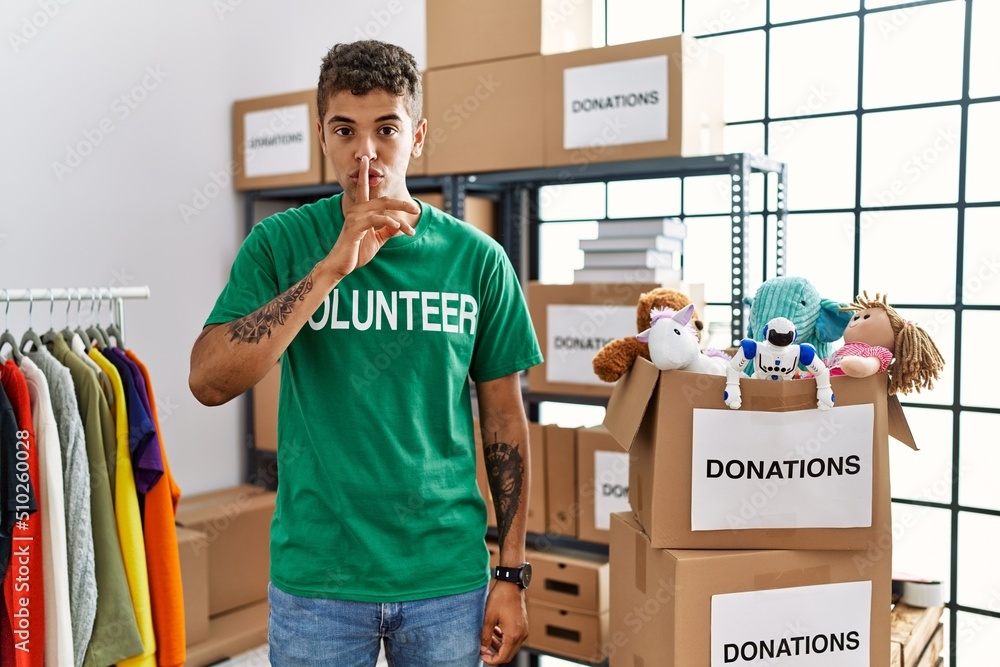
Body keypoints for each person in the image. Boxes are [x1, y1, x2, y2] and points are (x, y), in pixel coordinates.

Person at [189, 39, 542, 666]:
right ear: (321, 134)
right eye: (345, 129)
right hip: (318, 579)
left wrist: (511, 575)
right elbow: (209, 379)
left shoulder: (477, 259)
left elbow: (505, 421)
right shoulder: (282, 242)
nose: (366, 151)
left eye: (387, 128)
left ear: (418, 135)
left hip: (445, 578)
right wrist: (329, 271)